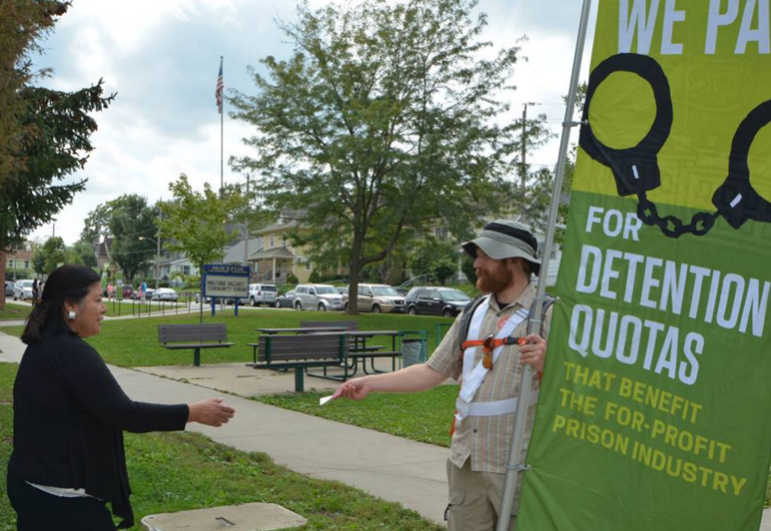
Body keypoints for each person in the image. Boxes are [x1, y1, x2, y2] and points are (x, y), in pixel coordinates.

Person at [336, 220, 551, 531]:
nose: (475, 264)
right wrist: (368, 382)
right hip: (466, 462)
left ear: (513, 261)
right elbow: (430, 371)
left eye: (484, 256)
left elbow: (577, 390)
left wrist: (548, 363)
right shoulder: (472, 312)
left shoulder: (547, 314)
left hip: (518, 465)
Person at [7, 264, 236, 530]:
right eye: (97, 299)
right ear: (70, 304)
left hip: (33, 486)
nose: (104, 308)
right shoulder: (71, 353)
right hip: (61, 501)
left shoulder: (44, 344)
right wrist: (192, 412)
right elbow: (125, 413)